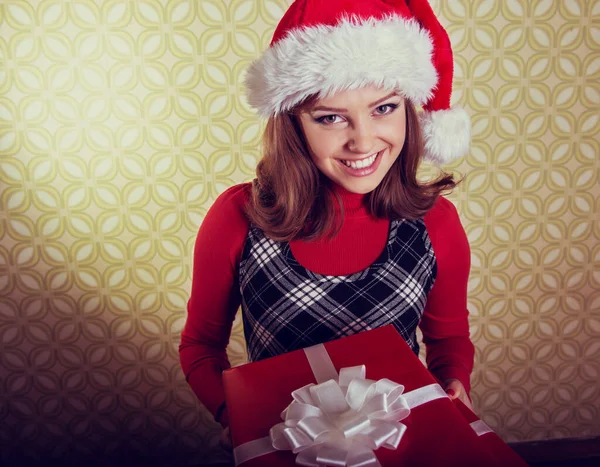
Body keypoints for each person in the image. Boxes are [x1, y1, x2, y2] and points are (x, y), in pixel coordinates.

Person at [179, 0, 473, 451]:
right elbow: (200, 345)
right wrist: (235, 415)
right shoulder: (238, 217)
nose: (363, 140)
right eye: (331, 117)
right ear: (295, 123)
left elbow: (449, 338)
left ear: (410, 111)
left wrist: (454, 383)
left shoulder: (436, 223)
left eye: (384, 108)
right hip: (284, 445)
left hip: (400, 446)